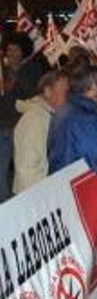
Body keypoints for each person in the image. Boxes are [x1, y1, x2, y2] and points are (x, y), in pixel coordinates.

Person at [48, 65, 97, 175]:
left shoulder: (66, 107)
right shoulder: (84, 116)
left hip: (62, 179)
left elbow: (78, 146)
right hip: (74, 183)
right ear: (94, 86)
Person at [0, 33, 47, 201]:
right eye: (9, 49)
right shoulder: (2, 70)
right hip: (3, 126)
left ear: (24, 51)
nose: (11, 53)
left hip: (26, 127)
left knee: (25, 170)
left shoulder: (32, 69)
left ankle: (26, 204)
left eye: (16, 49)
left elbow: (34, 94)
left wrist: (17, 74)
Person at [13, 70, 68, 194]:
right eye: (65, 91)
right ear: (48, 91)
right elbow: (27, 169)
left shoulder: (48, 115)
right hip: (34, 195)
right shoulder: (35, 119)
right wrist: (42, 196)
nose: (69, 96)